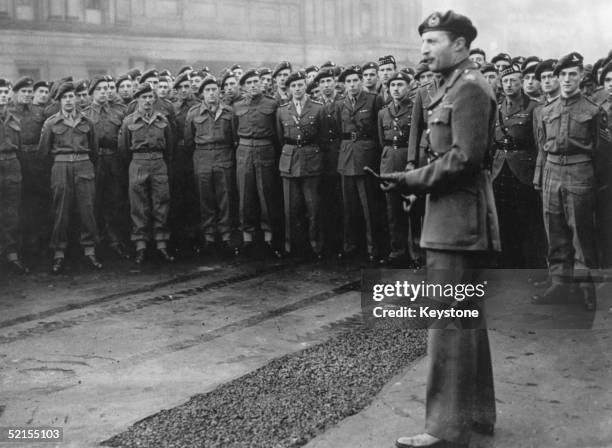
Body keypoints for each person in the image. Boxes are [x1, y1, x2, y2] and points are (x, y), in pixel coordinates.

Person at [379, 11, 499, 448]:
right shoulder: (451, 85)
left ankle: (445, 431)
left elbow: (465, 157)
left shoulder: (469, 87)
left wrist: (412, 181)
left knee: (448, 326)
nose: (424, 50)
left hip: (458, 222)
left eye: (433, 41)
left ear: (461, 45)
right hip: (451, 217)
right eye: (423, 41)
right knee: (465, 321)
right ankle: (478, 416)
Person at [531, 52, 612, 311]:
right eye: (562, 74)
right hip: (552, 171)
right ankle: (560, 286)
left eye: (572, 74)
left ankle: (586, 291)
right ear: (556, 77)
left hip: (580, 172)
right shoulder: (547, 110)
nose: (567, 79)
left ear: (580, 77)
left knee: (581, 234)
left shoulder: (593, 110)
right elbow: (543, 148)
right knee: (555, 231)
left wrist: (593, 182)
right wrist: (541, 177)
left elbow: (602, 153)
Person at [38, 81, 102, 274]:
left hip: (83, 166)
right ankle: (59, 254)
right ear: (59, 100)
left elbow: (95, 151)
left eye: (71, 96)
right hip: (61, 167)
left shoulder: (87, 122)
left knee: (87, 209)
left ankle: (89, 251)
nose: (68, 101)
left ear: (77, 98)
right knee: (61, 211)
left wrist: (86, 166)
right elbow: (43, 154)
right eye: (64, 97)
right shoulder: (51, 123)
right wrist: (58, 169)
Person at [491, 65, 543, 268]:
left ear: (521, 83)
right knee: (503, 218)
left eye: (513, 80)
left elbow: (539, 143)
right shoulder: (497, 108)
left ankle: (529, 264)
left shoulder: (533, 108)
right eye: (505, 81)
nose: (509, 84)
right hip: (499, 170)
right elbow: (490, 142)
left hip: (523, 171)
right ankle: (506, 263)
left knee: (527, 220)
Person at [118, 84, 175, 265]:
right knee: (138, 205)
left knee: (161, 202)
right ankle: (141, 246)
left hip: (159, 163)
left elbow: (170, 146)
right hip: (138, 163)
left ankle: (161, 244)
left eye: (151, 97)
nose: (148, 100)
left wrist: (161, 160)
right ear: (137, 100)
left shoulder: (163, 120)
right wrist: (136, 162)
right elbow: (123, 148)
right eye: (144, 97)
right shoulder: (128, 121)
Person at [336, 65, 384, 263]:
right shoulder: (340, 104)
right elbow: (338, 129)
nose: (352, 84)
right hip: (347, 156)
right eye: (348, 81)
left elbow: (380, 130)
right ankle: (351, 246)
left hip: (367, 156)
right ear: (344, 84)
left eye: (356, 80)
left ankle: (374, 248)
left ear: (362, 81)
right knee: (349, 206)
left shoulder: (374, 100)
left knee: (369, 206)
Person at [233, 69, 283, 257]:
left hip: (266, 151)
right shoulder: (237, 106)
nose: (253, 85)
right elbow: (234, 133)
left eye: (256, 81)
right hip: (244, 151)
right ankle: (247, 239)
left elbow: (278, 133)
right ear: (244, 86)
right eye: (249, 82)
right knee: (245, 194)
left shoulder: (272, 103)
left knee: (267, 195)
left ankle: (269, 239)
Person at [184, 77, 237, 255]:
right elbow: (189, 140)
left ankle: (226, 236)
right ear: (202, 94)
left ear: (220, 92)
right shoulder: (193, 113)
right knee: (205, 198)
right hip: (202, 157)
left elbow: (234, 137)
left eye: (214, 89)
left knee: (225, 198)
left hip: (224, 155)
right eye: (207, 90)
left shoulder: (229, 112)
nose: (212, 93)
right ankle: (209, 236)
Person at [276, 71, 324, 258]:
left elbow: (322, 138)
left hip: (311, 161)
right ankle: (293, 247)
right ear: (289, 88)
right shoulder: (282, 110)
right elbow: (281, 137)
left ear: (306, 86)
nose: (297, 89)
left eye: (300, 85)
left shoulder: (318, 108)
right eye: (293, 86)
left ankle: (315, 246)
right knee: (291, 209)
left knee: (314, 208)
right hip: (289, 162)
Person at [82, 75, 130, 260]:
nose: (103, 92)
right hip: (93, 161)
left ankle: (115, 241)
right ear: (92, 92)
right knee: (93, 202)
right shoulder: (85, 113)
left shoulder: (120, 112)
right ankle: (94, 243)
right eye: (99, 89)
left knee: (115, 201)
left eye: (106, 89)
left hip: (114, 160)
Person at [378, 70, 414, 266]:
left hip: (407, 160)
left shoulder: (415, 109)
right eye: (393, 85)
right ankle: (397, 250)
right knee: (392, 210)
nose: (396, 89)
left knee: (411, 209)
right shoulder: (383, 112)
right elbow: (380, 140)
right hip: (389, 161)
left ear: (408, 87)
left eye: (400, 85)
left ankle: (414, 252)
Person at [0, 78, 29, 274]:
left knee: (11, 212)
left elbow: (19, 147)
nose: (2, 95)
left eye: (5, 92)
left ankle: (11, 255)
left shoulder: (14, 119)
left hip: (12, 164)